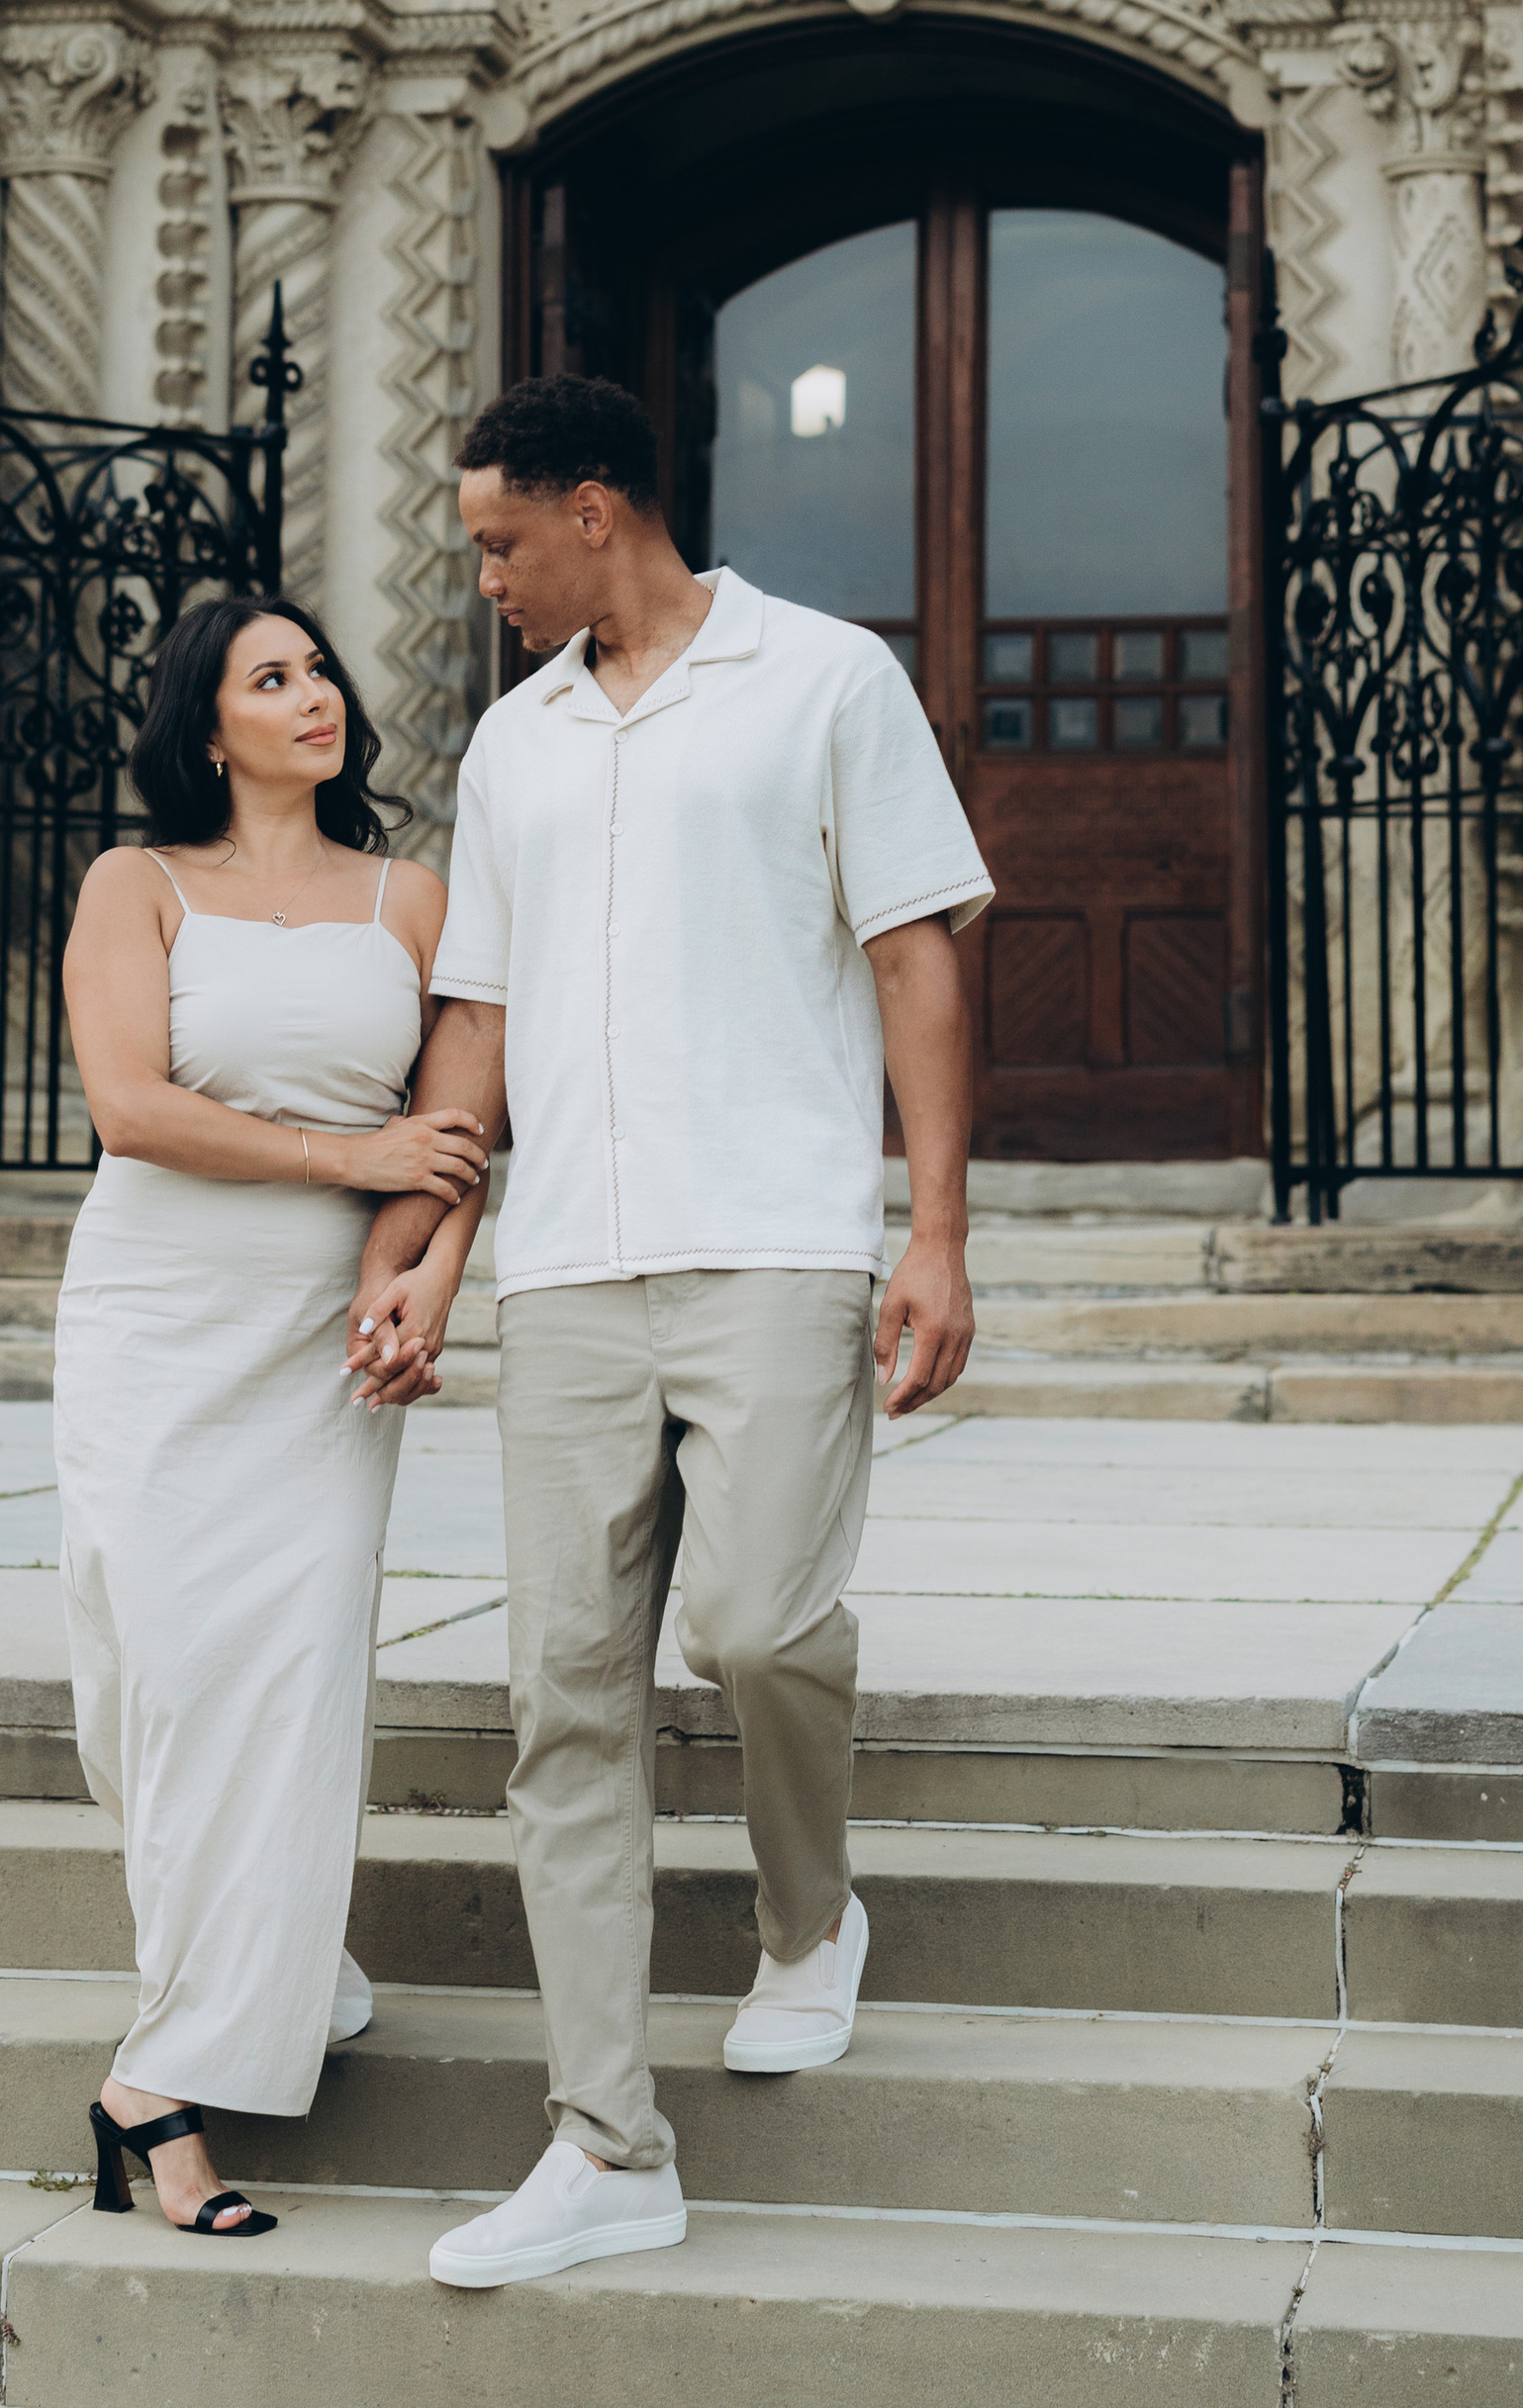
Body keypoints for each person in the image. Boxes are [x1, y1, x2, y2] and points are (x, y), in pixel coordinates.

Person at [340, 374, 992, 2290]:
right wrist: (434, 1258)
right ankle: (605, 2139)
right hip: (561, 1271)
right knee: (561, 1697)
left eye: (495, 543)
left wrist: (932, 1231)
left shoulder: (821, 680)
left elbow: (912, 951)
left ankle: (809, 1923)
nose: (482, 583)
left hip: (775, 1239)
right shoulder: (516, 747)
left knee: (758, 1620)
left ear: (596, 509)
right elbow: (476, 1024)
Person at [54, 596, 488, 2239]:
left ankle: (160, 2087)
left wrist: (433, 1270)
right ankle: (269, 1956)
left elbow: (461, 1136)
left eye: (317, 670)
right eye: (270, 677)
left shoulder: (413, 900)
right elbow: (132, 1108)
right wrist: (346, 1155)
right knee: (153, 1681)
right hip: (157, 1314)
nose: (313, 696)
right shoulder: (137, 884)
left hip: (327, 1333)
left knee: (288, 1678)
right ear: (206, 723)